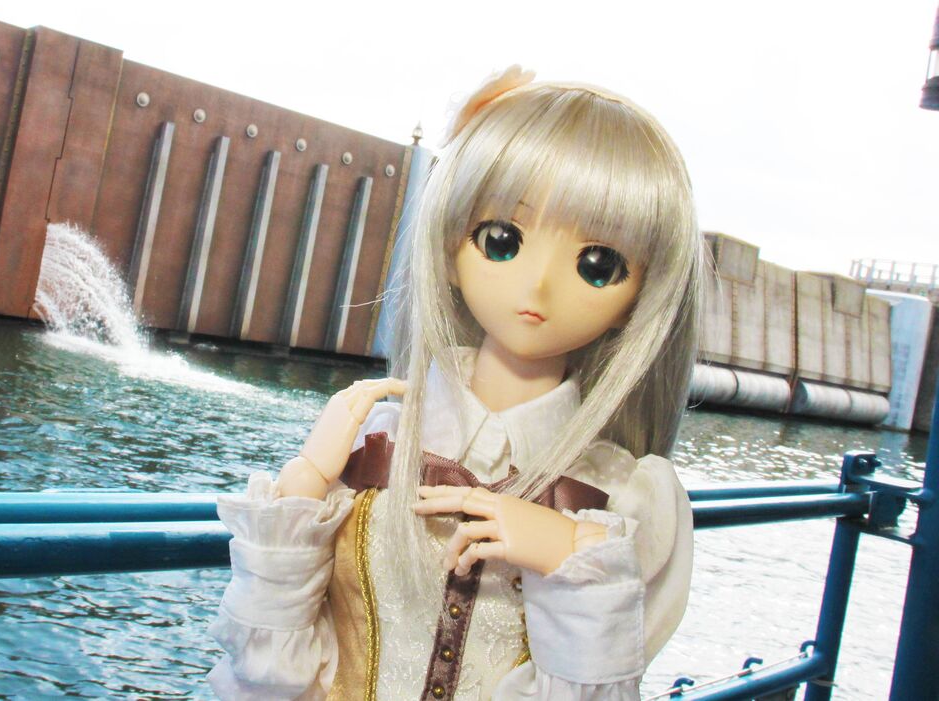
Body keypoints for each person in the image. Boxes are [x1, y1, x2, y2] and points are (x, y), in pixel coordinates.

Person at [209, 65, 703, 700]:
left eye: (597, 264)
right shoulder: (371, 440)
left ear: (642, 296)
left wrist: (575, 563)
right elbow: (266, 672)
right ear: (448, 249)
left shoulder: (629, 499)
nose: (538, 286)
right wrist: (302, 485)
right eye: (502, 240)